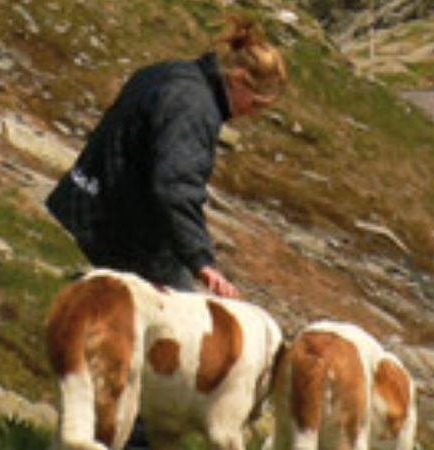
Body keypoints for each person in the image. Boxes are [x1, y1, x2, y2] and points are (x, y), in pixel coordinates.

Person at [46, 17, 288, 301]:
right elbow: (175, 186)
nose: (253, 113)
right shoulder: (194, 107)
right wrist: (201, 261)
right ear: (237, 80)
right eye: (256, 103)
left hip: (83, 199)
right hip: (119, 232)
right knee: (179, 318)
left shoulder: (171, 73)